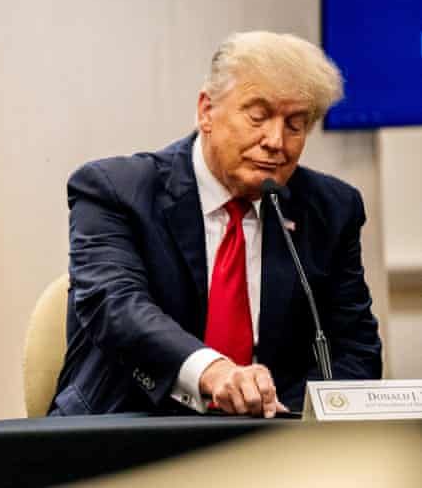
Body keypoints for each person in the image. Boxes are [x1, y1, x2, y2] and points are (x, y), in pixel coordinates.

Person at [49, 31, 382, 418]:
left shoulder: (331, 209)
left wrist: (297, 423)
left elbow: (354, 348)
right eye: (258, 116)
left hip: (273, 445)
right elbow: (117, 307)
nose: (275, 140)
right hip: (129, 432)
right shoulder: (116, 190)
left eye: (295, 124)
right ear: (207, 110)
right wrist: (213, 370)